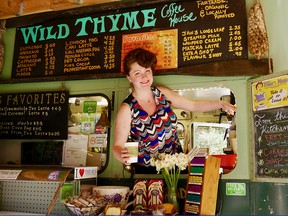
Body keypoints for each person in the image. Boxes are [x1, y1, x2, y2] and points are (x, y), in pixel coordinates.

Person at [112, 48, 236, 171]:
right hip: (147, 172)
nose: (144, 76)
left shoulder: (162, 93)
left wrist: (220, 104)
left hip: (176, 166)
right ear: (129, 77)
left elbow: (193, 106)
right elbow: (117, 146)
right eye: (137, 73)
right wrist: (122, 156)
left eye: (147, 71)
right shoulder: (127, 108)